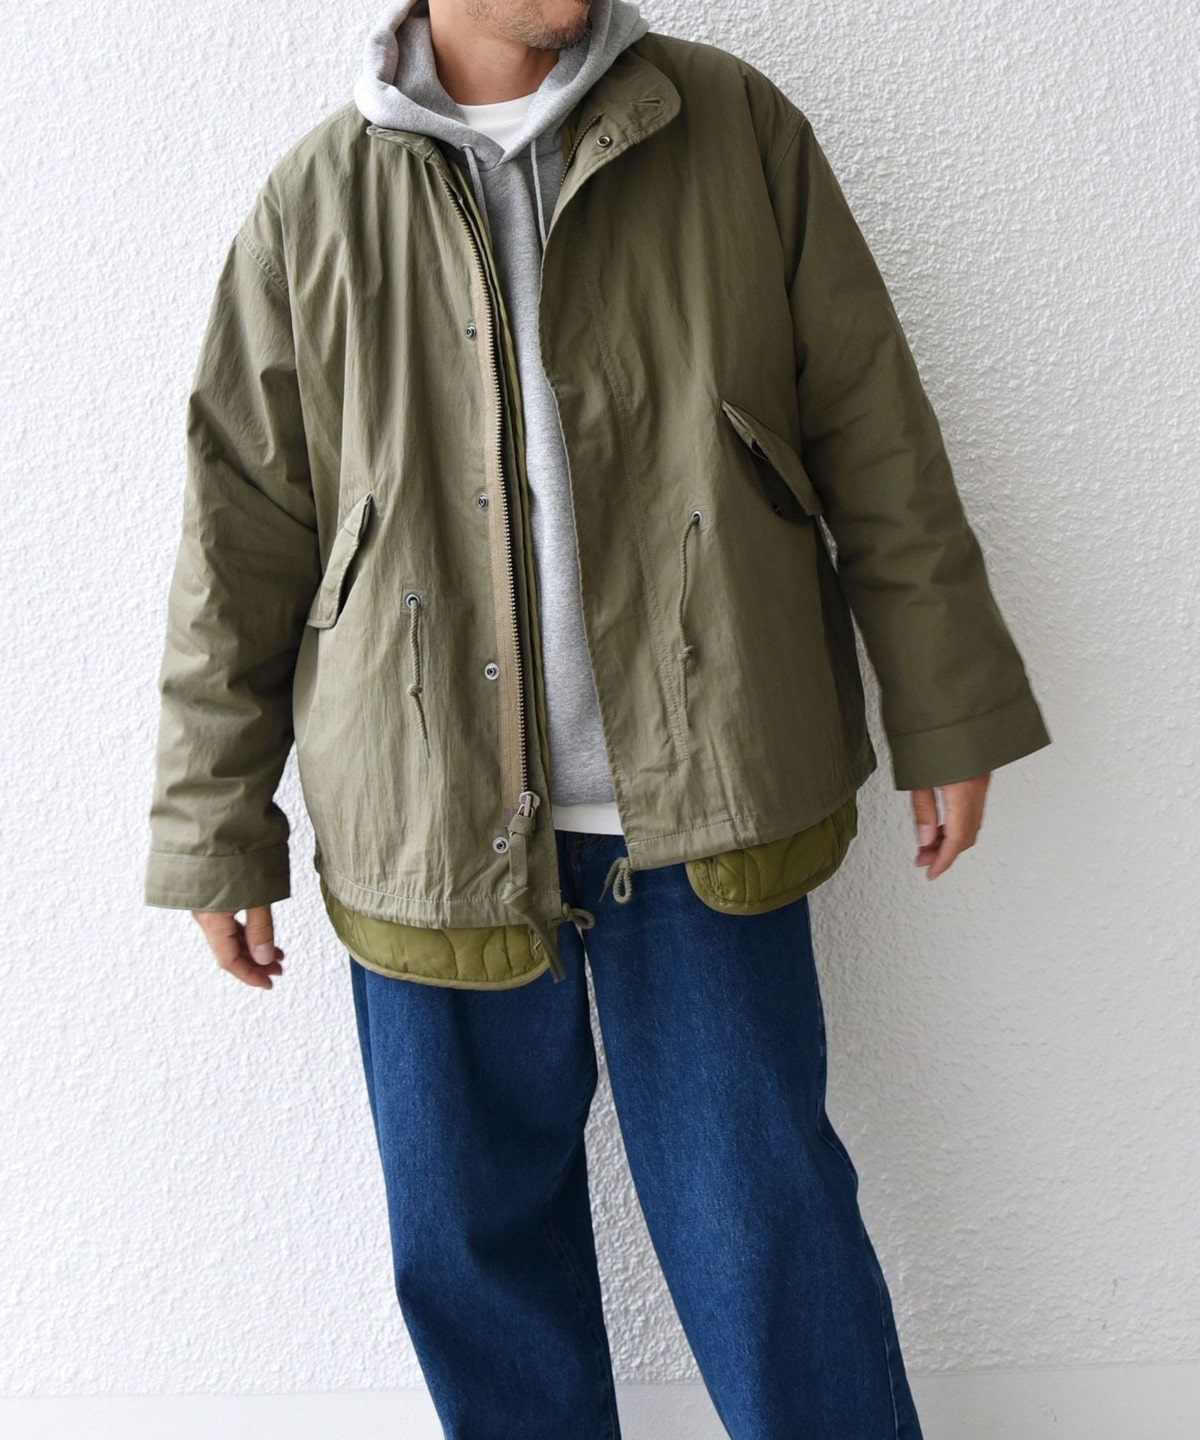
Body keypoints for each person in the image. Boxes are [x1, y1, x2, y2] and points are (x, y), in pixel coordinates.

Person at [144, 1, 1052, 1435]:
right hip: (429, 824)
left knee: (768, 1239)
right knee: (473, 1263)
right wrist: (213, 825)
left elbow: (873, 427)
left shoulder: (730, 128)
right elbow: (239, 538)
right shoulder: (314, 205)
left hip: (707, 796)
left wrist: (946, 705)